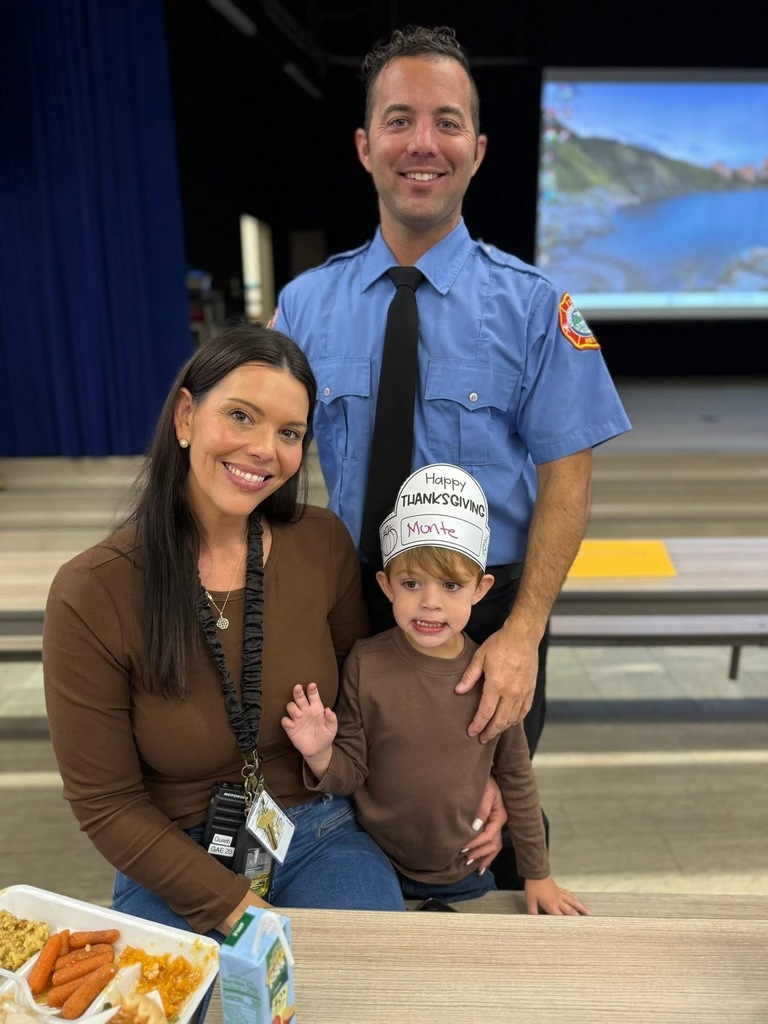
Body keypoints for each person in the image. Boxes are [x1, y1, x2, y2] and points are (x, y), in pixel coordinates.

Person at [272, 25, 631, 886]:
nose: (422, 143)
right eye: (399, 120)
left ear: (478, 148)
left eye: (446, 121)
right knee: (348, 818)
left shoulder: (536, 306)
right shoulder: (304, 305)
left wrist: (522, 635)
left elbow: (567, 488)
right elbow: (255, 462)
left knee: (476, 832)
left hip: (482, 618)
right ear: (366, 146)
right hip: (352, 605)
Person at [42, 322, 410, 941]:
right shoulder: (90, 591)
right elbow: (106, 804)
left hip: (315, 831)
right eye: (241, 417)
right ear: (186, 417)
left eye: (289, 432)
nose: (266, 448)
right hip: (171, 853)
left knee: (365, 984)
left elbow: (366, 702)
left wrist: (467, 780)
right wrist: (239, 911)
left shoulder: (321, 542)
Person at [282, 464, 588, 915]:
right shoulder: (365, 664)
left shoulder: (491, 676)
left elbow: (517, 778)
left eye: (450, 585)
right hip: (377, 863)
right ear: (386, 586)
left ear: (481, 589)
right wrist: (320, 754)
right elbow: (353, 773)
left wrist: (536, 873)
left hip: (466, 871)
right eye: (411, 584)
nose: (430, 602)